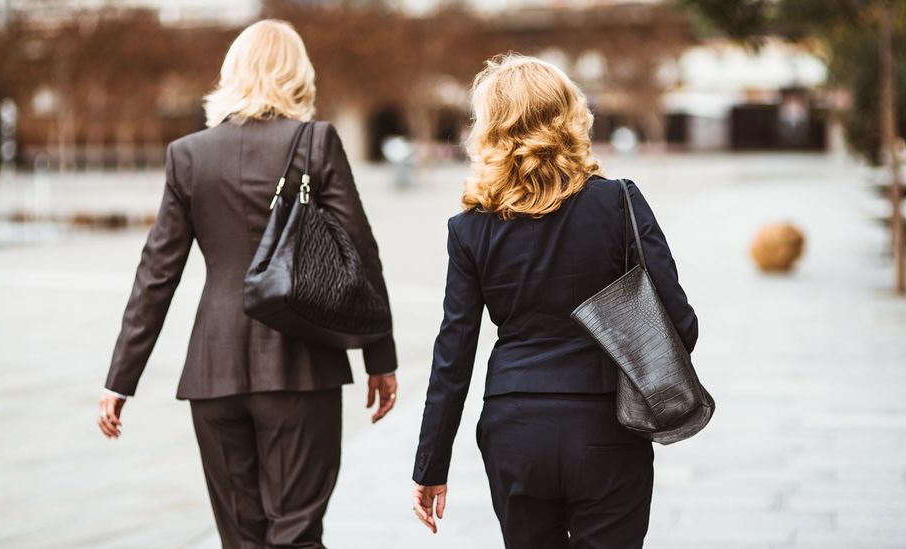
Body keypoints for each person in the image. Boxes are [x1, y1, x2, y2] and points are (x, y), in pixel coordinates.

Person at [96, 20, 399, 549]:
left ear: (231, 74)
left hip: (212, 373)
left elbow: (156, 274)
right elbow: (360, 255)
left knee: (241, 540)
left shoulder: (188, 155)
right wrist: (380, 357)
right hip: (303, 367)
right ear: (298, 74)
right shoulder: (315, 142)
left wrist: (121, 378)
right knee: (297, 533)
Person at [411, 54, 698, 548]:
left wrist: (431, 466)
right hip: (606, 424)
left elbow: (452, 357)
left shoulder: (470, 228)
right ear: (571, 115)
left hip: (514, 426)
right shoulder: (618, 203)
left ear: (491, 129)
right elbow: (680, 326)